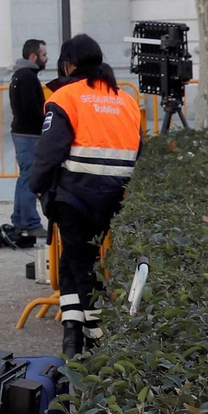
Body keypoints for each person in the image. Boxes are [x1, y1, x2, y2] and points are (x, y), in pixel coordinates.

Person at [29, 34, 142, 357]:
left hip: (74, 195)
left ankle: (95, 335)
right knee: (74, 261)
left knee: (82, 266)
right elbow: (139, 148)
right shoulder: (125, 100)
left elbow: (50, 149)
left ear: (69, 63)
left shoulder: (67, 97)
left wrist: (35, 184)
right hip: (113, 197)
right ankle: (72, 334)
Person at [9, 38, 47, 242]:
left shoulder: (19, 75)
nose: (46, 58)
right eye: (43, 55)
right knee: (29, 179)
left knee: (24, 177)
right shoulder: (28, 78)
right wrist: (47, 121)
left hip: (23, 133)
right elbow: (33, 109)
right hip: (29, 135)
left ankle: (20, 220)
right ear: (33, 56)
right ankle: (31, 223)